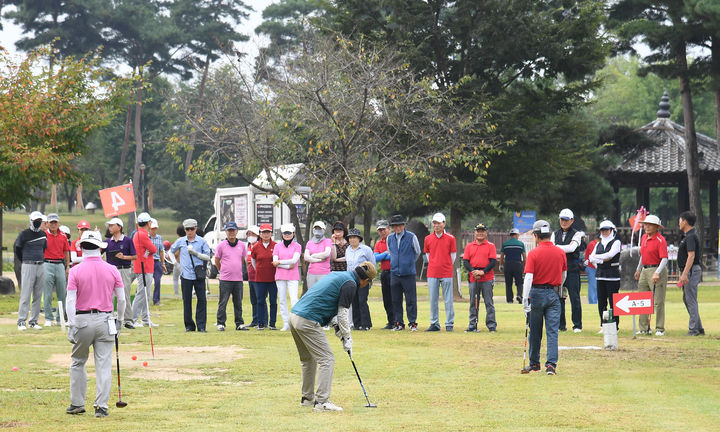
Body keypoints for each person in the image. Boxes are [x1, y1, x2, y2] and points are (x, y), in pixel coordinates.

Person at [289, 261, 377, 412]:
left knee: (308, 360)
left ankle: (307, 399)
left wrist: (339, 332)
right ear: (366, 280)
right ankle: (322, 402)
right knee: (327, 359)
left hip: (294, 316)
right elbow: (343, 315)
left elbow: (330, 309)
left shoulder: (340, 275)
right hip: (308, 320)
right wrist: (347, 338)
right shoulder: (351, 285)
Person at [65, 230, 126, 417]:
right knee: (103, 364)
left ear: (82, 248)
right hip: (106, 320)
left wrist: (71, 324)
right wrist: (120, 320)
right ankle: (101, 406)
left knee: (78, 362)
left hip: (82, 320)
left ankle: (77, 403)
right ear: (100, 248)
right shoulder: (112, 269)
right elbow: (122, 300)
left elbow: (70, 301)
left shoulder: (75, 270)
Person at [521, 220, 566, 375]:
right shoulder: (560, 252)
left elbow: (528, 278)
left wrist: (525, 298)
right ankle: (551, 365)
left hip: (536, 293)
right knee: (552, 331)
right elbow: (564, 274)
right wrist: (558, 286)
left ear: (536, 236)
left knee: (535, 331)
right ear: (550, 234)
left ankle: (534, 363)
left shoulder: (534, 253)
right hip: (554, 294)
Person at [171, 218, 211, 332]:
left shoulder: (202, 241)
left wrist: (196, 253)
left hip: (199, 275)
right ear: (184, 229)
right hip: (186, 275)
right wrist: (176, 264)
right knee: (186, 301)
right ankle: (189, 325)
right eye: (187, 229)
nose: (189, 231)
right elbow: (170, 252)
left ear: (196, 228)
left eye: (192, 229)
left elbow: (208, 256)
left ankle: (201, 325)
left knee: (202, 300)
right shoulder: (181, 241)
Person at [634, 215, 668, 336]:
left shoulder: (660, 240)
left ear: (656, 227)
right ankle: (643, 328)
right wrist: (638, 269)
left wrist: (657, 272)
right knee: (642, 299)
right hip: (645, 269)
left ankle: (659, 328)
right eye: (645, 224)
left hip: (657, 268)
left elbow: (664, 259)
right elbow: (642, 255)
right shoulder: (644, 237)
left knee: (658, 301)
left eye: (649, 225)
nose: (646, 227)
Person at [551, 208, 584, 332]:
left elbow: (572, 248)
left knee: (574, 297)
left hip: (572, 270)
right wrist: (560, 247)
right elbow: (557, 247)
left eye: (566, 220)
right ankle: (561, 325)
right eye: (562, 219)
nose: (563, 222)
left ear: (572, 220)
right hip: (559, 270)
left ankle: (577, 325)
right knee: (559, 297)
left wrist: (557, 247)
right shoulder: (555, 233)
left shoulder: (577, 233)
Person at [387, 214, 421, 331]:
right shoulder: (390, 238)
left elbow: (417, 252)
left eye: (400, 225)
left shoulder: (411, 236)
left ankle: (412, 323)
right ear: (392, 227)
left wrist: (408, 263)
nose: (397, 228)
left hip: (408, 274)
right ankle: (398, 323)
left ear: (403, 226)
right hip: (395, 273)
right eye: (395, 226)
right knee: (396, 300)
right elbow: (391, 253)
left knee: (411, 299)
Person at [423, 213, 456, 332]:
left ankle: (449, 323)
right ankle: (434, 323)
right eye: (434, 223)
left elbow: (453, 256)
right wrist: (436, 264)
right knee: (433, 299)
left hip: (446, 272)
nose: (436, 226)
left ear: (444, 224)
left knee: (448, 299)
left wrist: (444, 265)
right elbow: (428, 255)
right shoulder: (428, 239)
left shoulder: (451, 238)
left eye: (439, 223)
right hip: (432, 273)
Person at [15, 211, 48, 331]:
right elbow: (18, 249)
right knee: (26, 294)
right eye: (36, 221)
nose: (38, 223)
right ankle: (21, 321)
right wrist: (25, 260)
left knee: (38, 295)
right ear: (31, 221)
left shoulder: (43, 234)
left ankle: (33, 321)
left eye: (39, 221)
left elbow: (43, 248)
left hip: (41, 265)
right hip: (28, 264)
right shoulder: (24, 234)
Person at [462, 223, 497, 332]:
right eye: (478, 231)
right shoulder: (469, 246)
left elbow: (493, 262)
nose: (480, 233)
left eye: (482, 231)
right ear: (475, 233)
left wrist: (483, 272)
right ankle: (472, 325)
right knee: (473, 302)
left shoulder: (490, 246)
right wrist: (473, 271)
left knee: (489, 303)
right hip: (473, 278)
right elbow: (465, 261)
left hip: (486, 278)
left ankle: (491, 326)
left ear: (486, 233)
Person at [214, 221, 248, 331]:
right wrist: (223, 270)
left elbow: (242, 259)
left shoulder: (242, 245)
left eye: (233, 230)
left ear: (237, 231)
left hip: (238, 279)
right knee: (223, 302)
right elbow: (217, 261)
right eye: (229, 231)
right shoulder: (221, 245)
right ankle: (221, 323)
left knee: (238, 302)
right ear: (226, 232)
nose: (231, 233)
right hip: (225, 279)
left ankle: (239, 323)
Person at [588, 220, 622, 332]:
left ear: (612, 230)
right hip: (600, 275)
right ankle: (603, 325)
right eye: (602, 230)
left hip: (612, 276)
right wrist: (602, 262)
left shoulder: (616, 242)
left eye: (606, 230)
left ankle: (615, 325)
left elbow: (610, 255)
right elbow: (591, 258)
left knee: (614, 302)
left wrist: (598, 259)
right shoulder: (598, 244)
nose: (604, 232)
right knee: (602, 302)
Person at [105, 218, 137, 329]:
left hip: (124, 269)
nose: (109, 228)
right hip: (111, 270)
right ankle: (109, 317)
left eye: (112, 225)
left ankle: (128, 320)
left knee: (125, 295)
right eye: (109, 226)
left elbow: (135, 256)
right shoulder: (108, 242)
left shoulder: (127, 240)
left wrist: (124, 257)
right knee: (109, 295)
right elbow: (98, 249)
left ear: (119, 227)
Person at [677, 211, 705, 336]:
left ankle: (693, 329)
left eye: (680, 220)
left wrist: (684, 274)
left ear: (685, 222)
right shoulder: (687, 236)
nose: (679, 223)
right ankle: (699, 327)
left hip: (691, 270)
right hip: (688, 270)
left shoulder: (690, 236)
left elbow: (691, 255)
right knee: (687, 298)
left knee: (690, 299)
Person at [42, 213, 70, 327]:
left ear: (59, 223)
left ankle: (60, 318)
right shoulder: (43, 235)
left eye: (55, 222)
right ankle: (48, 318)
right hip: (47, 263)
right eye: (51, 222)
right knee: (47, 293)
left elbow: (66, 251)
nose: (53, 225)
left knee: (62, 293)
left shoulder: (63, 236)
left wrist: (67, 266)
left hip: (59, 264)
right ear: (47, 223)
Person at [345, 228, 376, 330]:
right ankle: (357, 324)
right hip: (352, 279)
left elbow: (372, 264)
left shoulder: (366, 249)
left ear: (359, 239)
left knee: (362, 300)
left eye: (354, 237)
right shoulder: (348, 250)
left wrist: (371, 279)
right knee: (354, 301)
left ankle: (366, 324)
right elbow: (348, 266)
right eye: (350, 237)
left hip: (364, 279)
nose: (352, 239)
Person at [273, 223, 302, 331]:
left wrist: (280, 262)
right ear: (282, 234)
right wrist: (287, 265)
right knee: (282, 300)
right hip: (280, 276)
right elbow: (275, 261)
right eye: (285, 233)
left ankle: (294, 322)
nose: (287, 234)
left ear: (293, 233)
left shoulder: (297, 246)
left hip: (293, 276)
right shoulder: (277, 246)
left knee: (294, 299)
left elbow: (294, 261)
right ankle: (286, 323)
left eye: (289, 233)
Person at [131, 212, 158, 328]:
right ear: (148, 223)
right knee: (141, 294)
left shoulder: (139, 233)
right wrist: (150, 251)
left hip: (144, 266)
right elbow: (153, 248)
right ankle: (133, 319)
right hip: (144, 267)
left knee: (145, 294)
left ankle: (146, 319)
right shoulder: (142, 234)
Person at [250, 223, 277, 330]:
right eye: (263, 232)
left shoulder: (276, 245)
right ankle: (260, 323)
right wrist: (259, 270)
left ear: (271, 233)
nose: (266, 235)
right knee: (260, 300)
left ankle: (272, 323)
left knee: (273, 301)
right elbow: (253, 261)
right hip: (260, 279)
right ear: (260, 234)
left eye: (268, 232)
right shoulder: (256, 247)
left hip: (273, 278)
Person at [373, 219, 394, 329]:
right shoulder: (378, 243)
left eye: (384, 229)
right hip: (384, 273)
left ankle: (397, 321)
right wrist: (386, 253)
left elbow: (394, 256)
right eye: (380, 230)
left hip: (394, 272)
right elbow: (375, 258)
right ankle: (390, 321)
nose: (382, 232)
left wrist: (383, 255)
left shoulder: (394, 240)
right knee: (386, 299)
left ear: (389, 229)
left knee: (394, 297)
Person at [304, 221, 332, 290]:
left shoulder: (327, 241)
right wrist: (319, 259)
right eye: (315, 228)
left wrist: (313, 255)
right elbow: (306, 257)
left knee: (323, 294)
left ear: (324, 230)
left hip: (324, 273)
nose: (317, 230)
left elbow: (326, 254)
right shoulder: (309, 243)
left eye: (319, 229)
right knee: (311, 294)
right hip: (311, 273)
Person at [500, 228, 526, 304]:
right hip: (517, 265)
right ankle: (519, 295)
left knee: (508, 283)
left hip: (507, 265)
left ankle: (509, 300)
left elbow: (502, 256)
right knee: (519, 282)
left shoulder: (505, 244)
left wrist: (501, 265)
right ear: (516, 235)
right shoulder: (521, 244)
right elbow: (524, 257)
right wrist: (525, 266)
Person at [148, 219, 166, 306]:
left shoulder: (159, 238)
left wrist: (163, 263)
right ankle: (143, 299)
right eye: (152, 228)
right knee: (146, 281)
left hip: (156, 262)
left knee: (157, 281)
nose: (154, 230)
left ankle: (156, 300)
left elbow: (161, 251)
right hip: (148, 261)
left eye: (155, 228)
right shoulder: (146, 237)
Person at [245, 225, 260, 327]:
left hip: (259, 277)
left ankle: (262, 320)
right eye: (249, 234)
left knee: (260, 300)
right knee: (253, 300)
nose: (250, 236)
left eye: (253, 234)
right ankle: (255, 320)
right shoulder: (248, 246)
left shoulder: (259, 245)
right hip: (250, 277)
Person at [583, 236, 599, 305]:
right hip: (591, 267)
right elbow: (592, 258)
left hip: (594, 267)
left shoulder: (595, 243)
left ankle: (596, 301)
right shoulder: (593, 244)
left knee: (596, 286)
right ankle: (593, 302)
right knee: (593, 286)